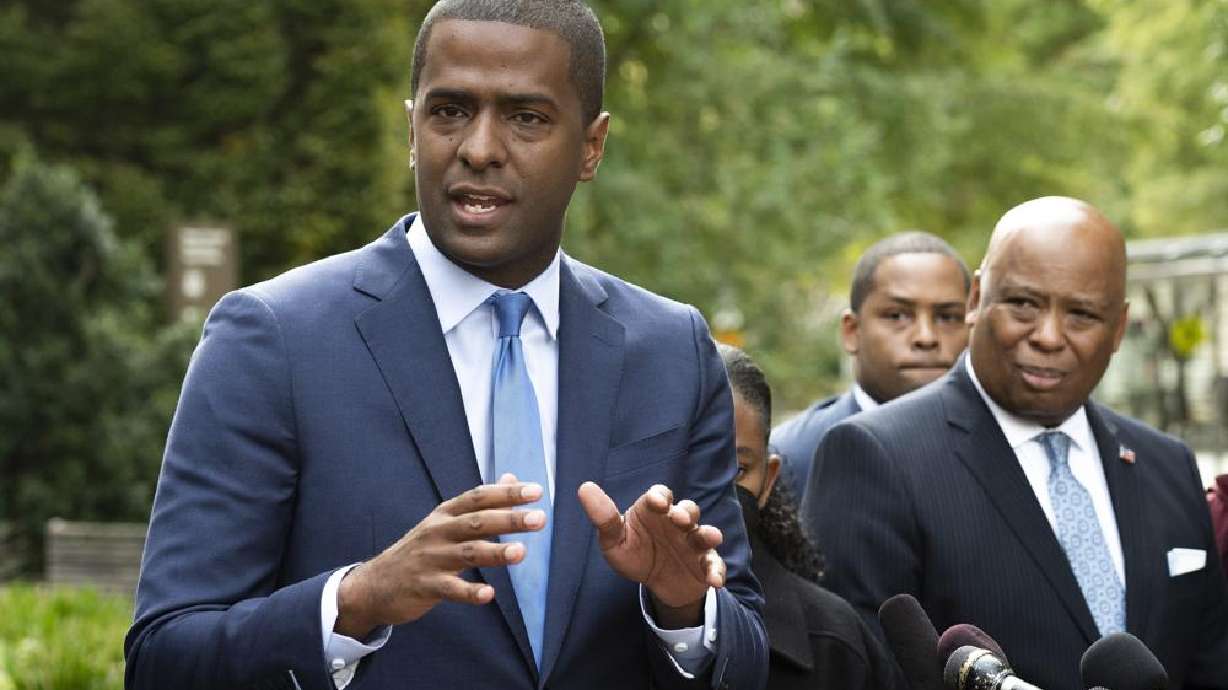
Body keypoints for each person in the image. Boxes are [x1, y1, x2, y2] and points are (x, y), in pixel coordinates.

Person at [124, 2, 768, 689]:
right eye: (450, 110)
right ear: (411, 126)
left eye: (526, 117)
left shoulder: (672, 349)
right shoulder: (273, 340)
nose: (479, 148)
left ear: (591, 146)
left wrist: (682, 606)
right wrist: (356, 601)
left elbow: (748, 655)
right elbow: (165, 657)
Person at [805, 196, 1228, 690]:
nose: (1048, 336)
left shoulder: (1167, 465)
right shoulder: (872, 457)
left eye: (1082, 314)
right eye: (1024, 304)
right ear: (975, 300)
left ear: (1118, 329)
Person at [719, 344, 902, 690]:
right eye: (690, 460)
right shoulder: (597, 620)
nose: (709, 486)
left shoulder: (834, 639)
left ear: (769, 478)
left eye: (737, 469)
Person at [771, 231, 970, 499]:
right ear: (852, 331)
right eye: (897, 315)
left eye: (947, 317)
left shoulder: (1007, 447)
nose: (926, 337)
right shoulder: (791, 458)